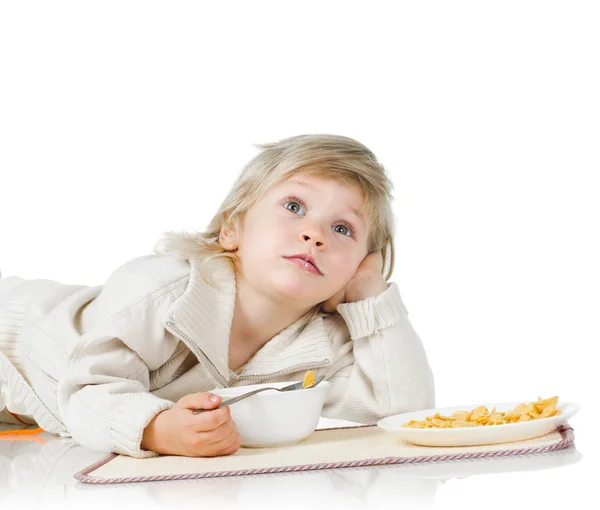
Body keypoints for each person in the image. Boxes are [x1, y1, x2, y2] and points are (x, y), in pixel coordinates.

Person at [0, 134, 435, 458]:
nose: (314, 234)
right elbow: (86, 388)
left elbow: (403, 408)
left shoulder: (319, 343)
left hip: (24, 414)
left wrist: (371, 299)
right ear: (232, 228)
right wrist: (155, 429)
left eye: (343, 229)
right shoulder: (164, 289)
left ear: (358, 265)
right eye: (294, 207)